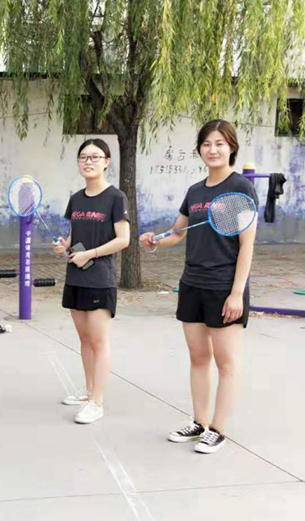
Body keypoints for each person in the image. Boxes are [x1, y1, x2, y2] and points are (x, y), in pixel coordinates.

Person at [140, 119, 257, 454]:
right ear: (199, 150)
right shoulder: (195, 191)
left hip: (224, 287)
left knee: (226, 362)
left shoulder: (241, 189)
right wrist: (155, 241)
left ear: (231, 147)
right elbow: (178, 232)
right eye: (207, 144)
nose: (213, 149)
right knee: (198, 357)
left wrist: (237, 293)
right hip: (192, 283)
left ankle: (217, 429)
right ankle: (199, 422)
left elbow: (247, 245)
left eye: (220, 143)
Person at [53, 138, 130, 424]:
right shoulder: (76, 198)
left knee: (99, 341)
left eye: (95, 157)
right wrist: (64, 245)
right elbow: (74, 236)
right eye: (84, 157)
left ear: (106, 162)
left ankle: (97, 402)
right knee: (84, 339)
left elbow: (123, 239)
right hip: (76, 277)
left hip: (100, 278)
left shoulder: (116, 198)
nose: (88, 162)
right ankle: (88, 392)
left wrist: (91, 254)